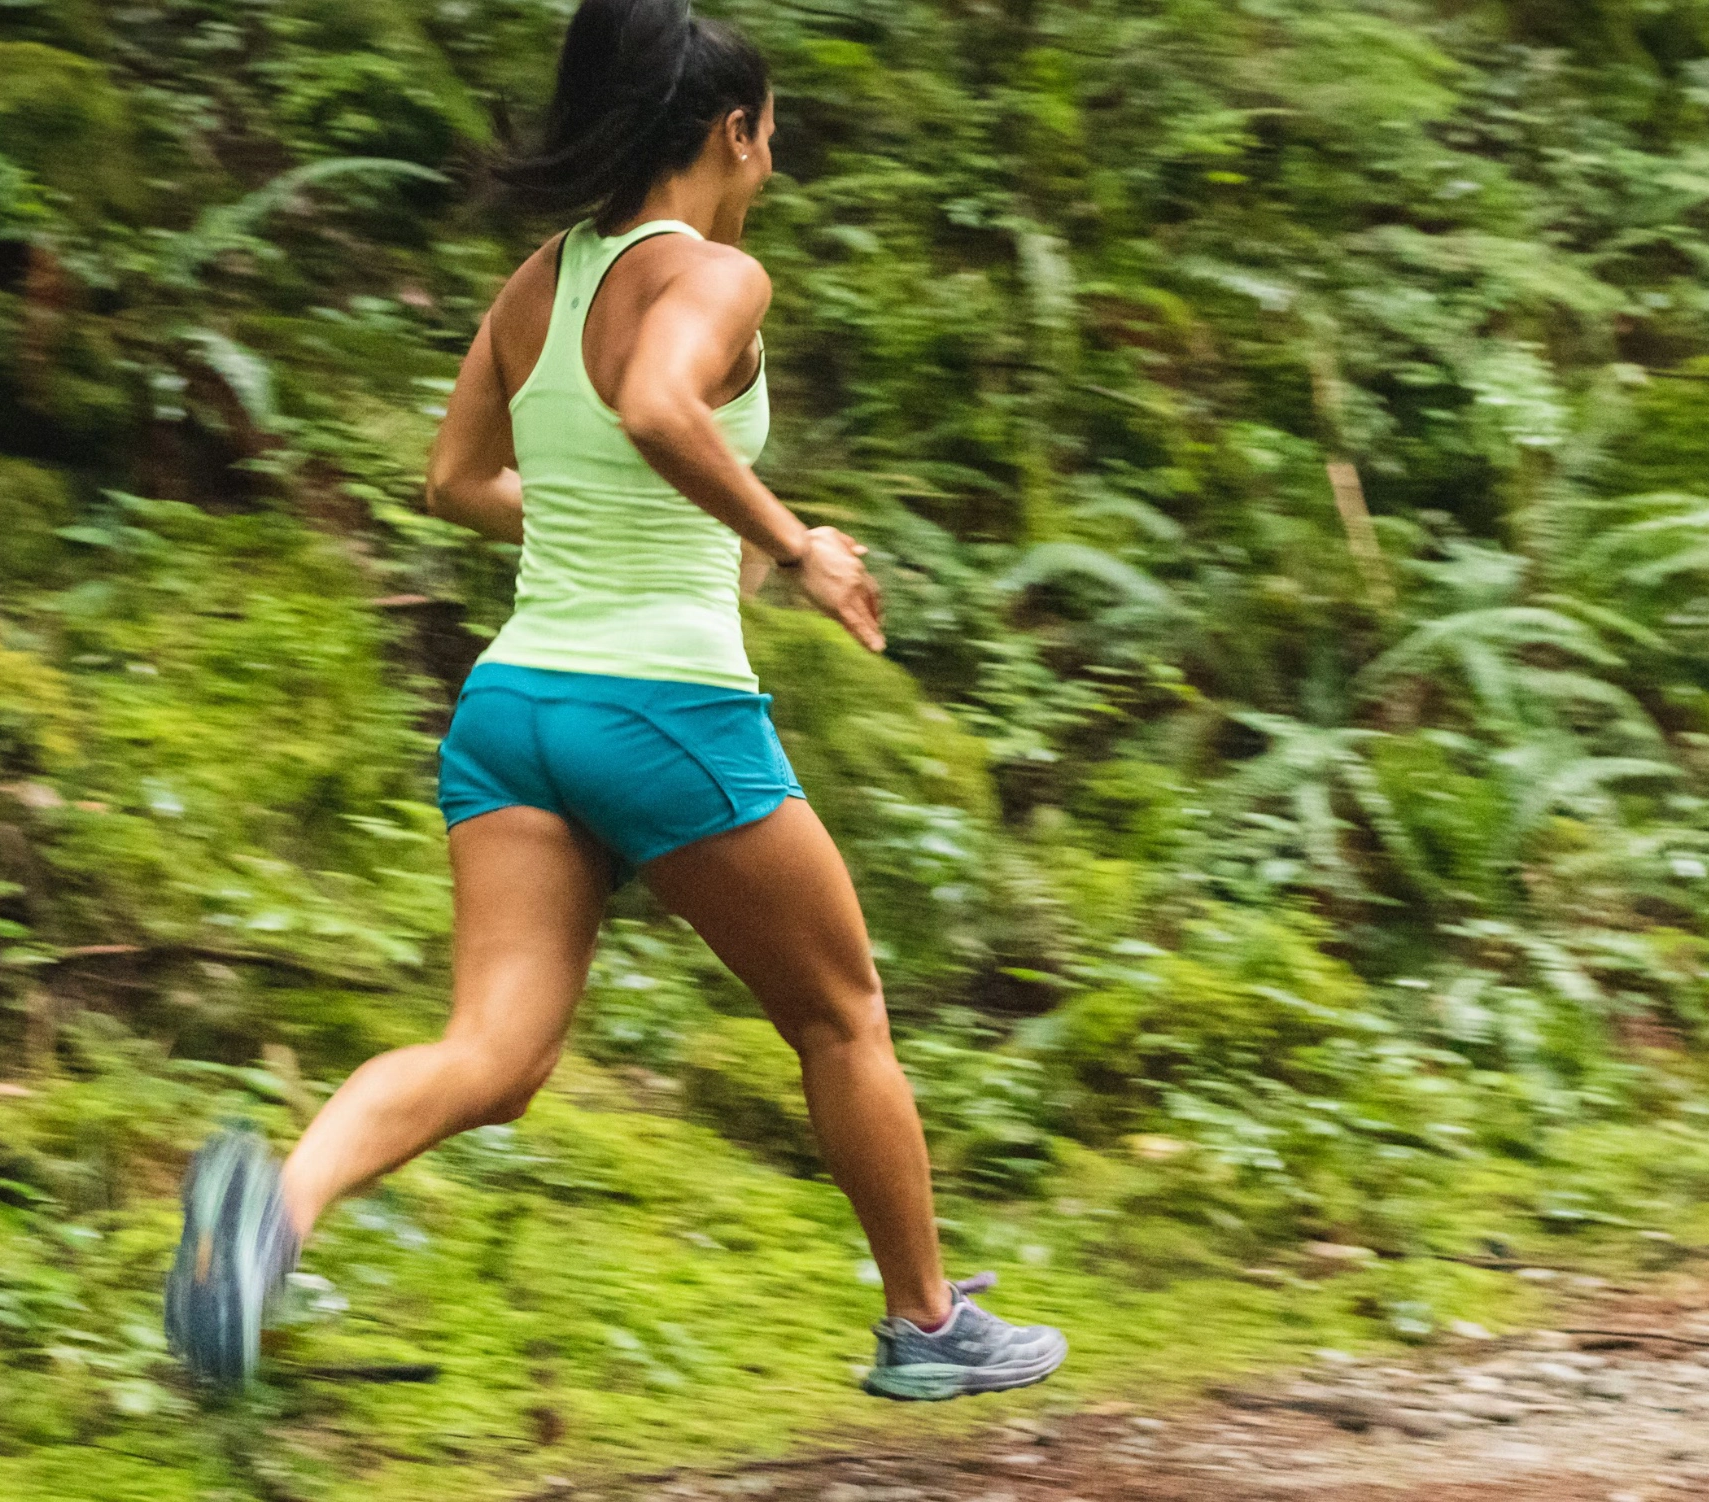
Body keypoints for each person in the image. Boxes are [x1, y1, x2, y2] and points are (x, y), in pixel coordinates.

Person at [163, 0, 1067, 1404]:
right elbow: (655, 403)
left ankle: (267, 1221)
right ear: (731, 130)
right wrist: (795, 545)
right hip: (659, 709)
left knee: (494, 1054)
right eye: (772, 134)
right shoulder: (714, 278)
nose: (773, 159)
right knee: (845, 1016)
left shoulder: (539, 282)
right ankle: (929, 1322)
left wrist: (618, 521)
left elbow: (456, 483)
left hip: (515, 703)